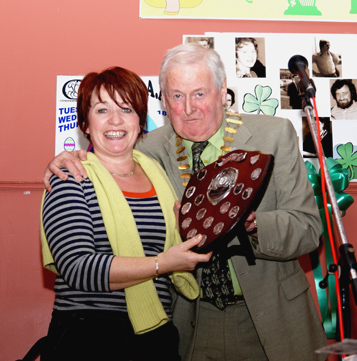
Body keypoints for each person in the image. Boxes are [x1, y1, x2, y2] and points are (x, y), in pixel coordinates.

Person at [43, 44, 328, 361]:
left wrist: (252, 223)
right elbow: (107, 155)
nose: (189, 108)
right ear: (163, 101)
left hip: (269, 316)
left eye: (200, 94)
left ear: (221, 92)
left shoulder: (273, 136)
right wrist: (70, 157)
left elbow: (308, 229)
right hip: (190, 321)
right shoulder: (148, 149)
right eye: (177, 96)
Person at [40, 66, 211, 361]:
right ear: (85, 122)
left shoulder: (160, 175)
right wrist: (161, 264)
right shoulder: (70, 176)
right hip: (88, 337)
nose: (116, 120)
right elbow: (79, 268)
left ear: (140, 120)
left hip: (156, 335)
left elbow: (180, 252)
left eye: (127, 109)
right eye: (102, 110)